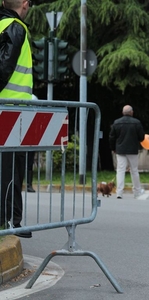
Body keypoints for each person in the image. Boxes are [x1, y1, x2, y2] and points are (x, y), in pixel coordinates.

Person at [0, 0, 33, 238]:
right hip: (11, 111)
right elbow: (4, 67)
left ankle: (11, 220)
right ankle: (9, 221)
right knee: (10, 171)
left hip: (9, 110)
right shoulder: (15, 26)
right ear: (24, 4)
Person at [109, 105, 145, 199]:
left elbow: (112, 137)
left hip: (120, 150)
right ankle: (137, 191)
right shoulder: (137, 123)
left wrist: (113, 148)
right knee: (134, 171)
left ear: (122, 112)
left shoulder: (116, 123)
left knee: (120, 171)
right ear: (132, 112)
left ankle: (119, 192)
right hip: (132, 150)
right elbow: (141, 137)